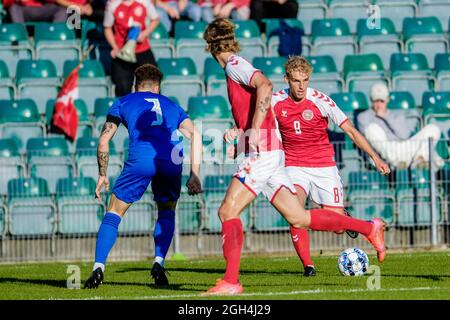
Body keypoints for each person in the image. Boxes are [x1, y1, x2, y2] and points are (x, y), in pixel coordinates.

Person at [202, 18, 386, 296]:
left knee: (227, 210)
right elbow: (256, 104)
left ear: (210, 45)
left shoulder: (233, 65)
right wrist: (242, 132)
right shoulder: (236, 68)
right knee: (299, 217)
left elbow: (264, 85)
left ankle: (231, 281)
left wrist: (252, 130)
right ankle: (368, 227)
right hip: (273, 153)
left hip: (264, 152)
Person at [83, 64, 203, 289]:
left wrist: (102, 174)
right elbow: (195, 133)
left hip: (141, 160)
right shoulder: (172, 105)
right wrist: (195, 174)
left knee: (114, 211)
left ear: (135, 84)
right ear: (158, 87)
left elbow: (103, 141)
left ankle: (98, 267)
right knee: (167, 210)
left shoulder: (123, 102)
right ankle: (159, 262)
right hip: (171, 160)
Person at [357, 83, 444, 169]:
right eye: (376, 101)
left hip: (404, 148)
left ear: (387, 100)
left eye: (382, 101)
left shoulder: (396, 115)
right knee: (371, 129)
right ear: (371, 100)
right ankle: (396, 163)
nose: (379, 104)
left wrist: (386, 116)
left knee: (433, 129)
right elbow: (366, 139)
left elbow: (404, 135)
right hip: (384, 154)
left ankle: (419, 161)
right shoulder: (363, 116)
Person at [104, 0, 160, 97]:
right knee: (123, 90)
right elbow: (107, 27)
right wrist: (114, 47)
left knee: (152, 88)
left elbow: (155, 19)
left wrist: (144, 34)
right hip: (122, 54)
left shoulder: (144, 2)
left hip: (142, 50)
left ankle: (152, 111)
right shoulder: (113, 5)